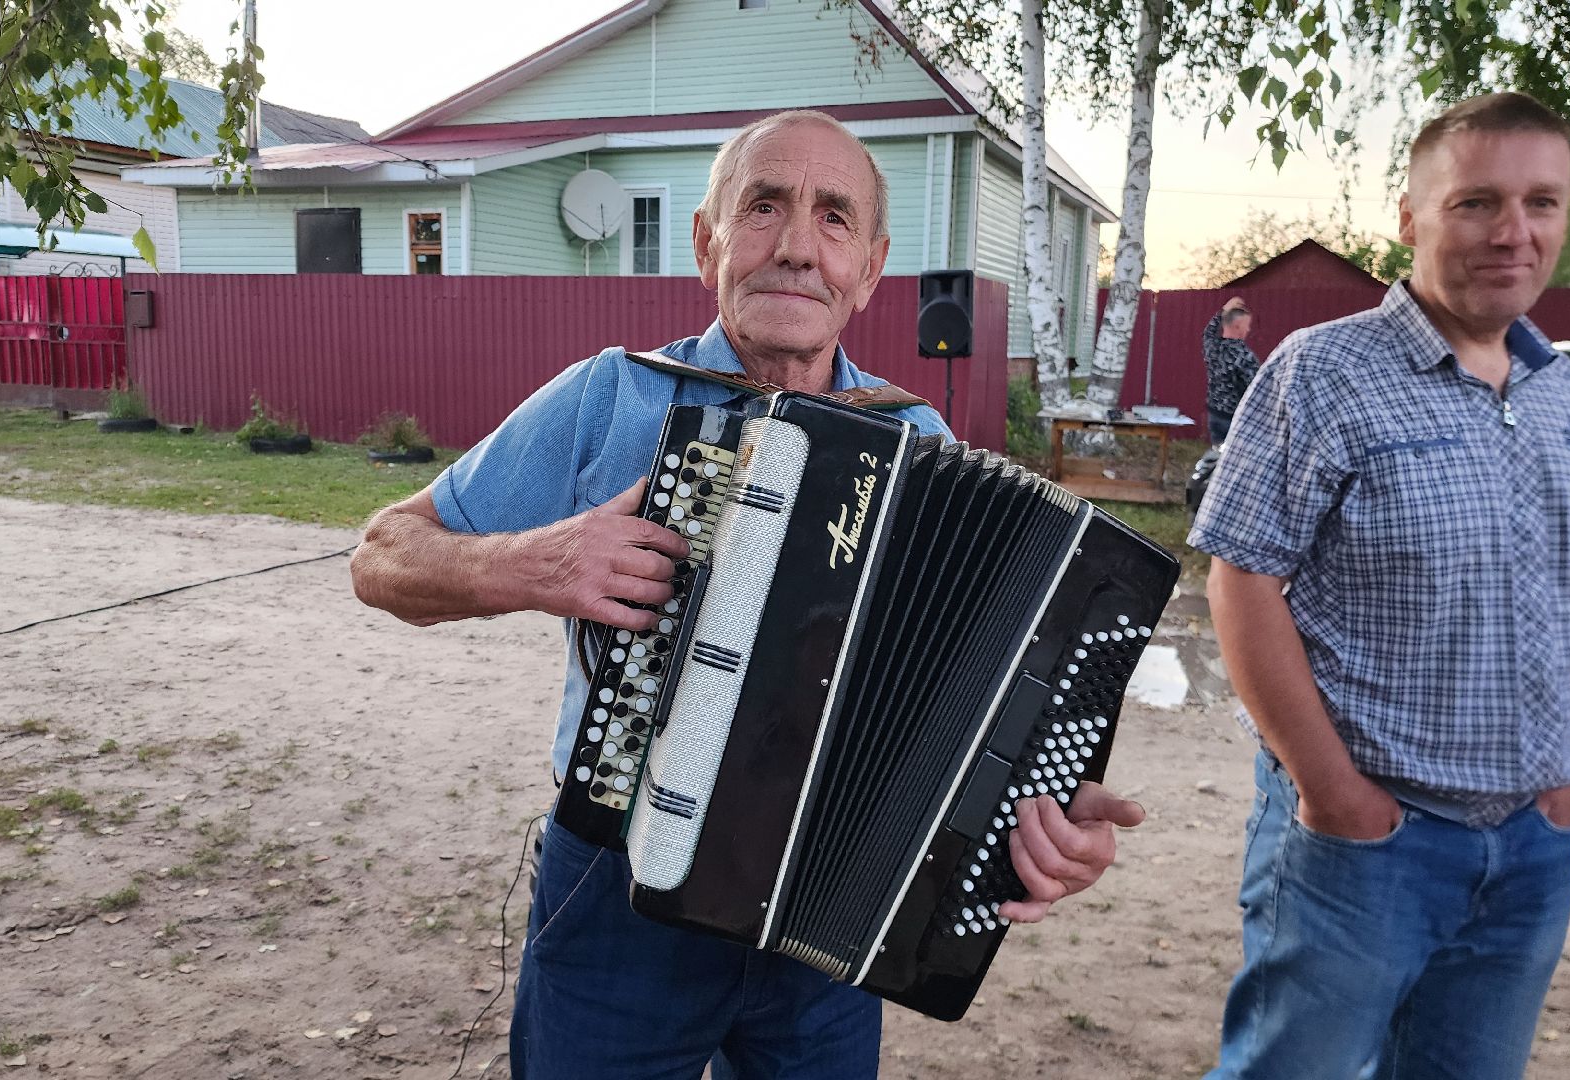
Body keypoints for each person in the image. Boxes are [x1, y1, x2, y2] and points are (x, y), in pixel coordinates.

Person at [350, 109, 1145, 1080]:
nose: (798, 247)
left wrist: (1042, 801)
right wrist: (528, 564)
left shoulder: (922, 440)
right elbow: (385, 554)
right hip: (617, 889)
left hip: (835, 891)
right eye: (763, 206)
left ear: (870, 267)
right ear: (707, 240)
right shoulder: (613, 397)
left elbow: (975, 688)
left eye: (833, 218)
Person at [1189, 91, 1570, 1080]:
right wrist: (1335, 795)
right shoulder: (1320, 373)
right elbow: (1242, 579)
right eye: (1476, 202)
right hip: (1363, 850)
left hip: (1528, 853)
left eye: (1541, 203)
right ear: (1411, 217)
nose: (1513, 232)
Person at [1202, 296, 1260, 442]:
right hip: (1234, 418)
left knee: (1218, 456)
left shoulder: (1212, 347)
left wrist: (1223, 310)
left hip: (1214, 414)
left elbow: (1208, 332)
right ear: (1237, 325)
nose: (1248, 329)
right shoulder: (1244, 355)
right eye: (1247, 325)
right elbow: (1257, 386)